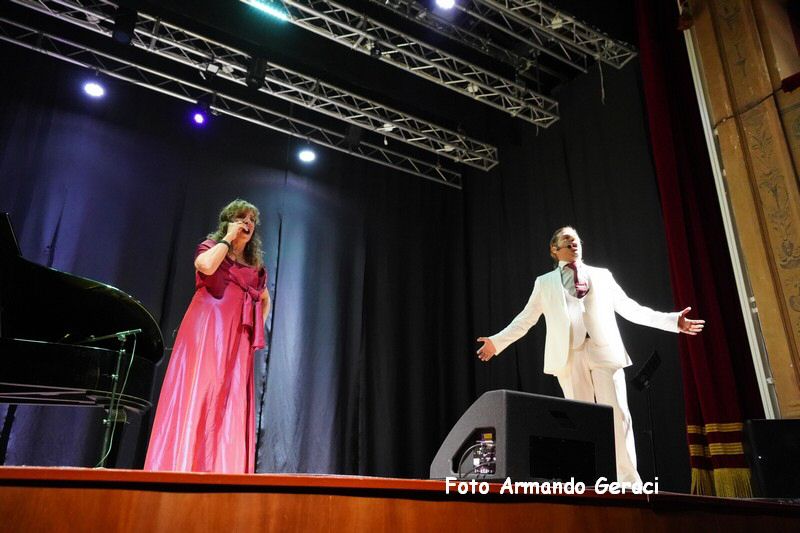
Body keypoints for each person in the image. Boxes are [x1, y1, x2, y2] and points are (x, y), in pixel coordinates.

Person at [476, 226, 704, 483]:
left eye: (576, 241)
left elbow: (630, 308)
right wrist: (496, 342)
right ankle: (588, 480)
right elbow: (525, 319)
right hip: (569, 355)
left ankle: (628, 482)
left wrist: (672, 321)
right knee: (579, 420)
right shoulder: (545, 283)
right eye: (567, 240)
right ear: (554, 249)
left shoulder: (602, 275)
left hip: (603, 350)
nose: (574, 244)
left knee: (618, 414)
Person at [145, 199, 270, 473]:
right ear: (228, 222)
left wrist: (252, 329)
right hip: (207, 330)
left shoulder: (254, 267)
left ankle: (223, 467)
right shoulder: (211, 248)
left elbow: (264, 299)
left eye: (251, 220)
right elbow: (206, 267)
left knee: (229, 395)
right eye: (241, 218)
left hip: (236, 338)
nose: (247, 223)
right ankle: (185, 463)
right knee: (202, 389)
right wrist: (227, 239)